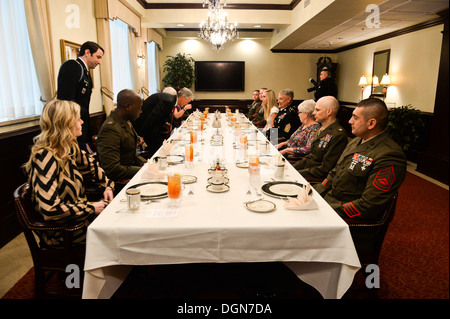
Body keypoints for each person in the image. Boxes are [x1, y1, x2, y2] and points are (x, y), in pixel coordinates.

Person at [25, 99, 114, 247]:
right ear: (64, 123)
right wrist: (91, 208)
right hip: (65, 232)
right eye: (78, 118)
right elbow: (50, 209)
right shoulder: (45, 157)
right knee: (118, 236)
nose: (82, 122)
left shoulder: (69, 146)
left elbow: (92, 167)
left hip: (80, 219)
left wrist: (107, 186)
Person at [314, 98, 407, 222]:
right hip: (329, 201)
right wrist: (312, 192)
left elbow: (368, 206)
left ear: (371, 123)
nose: (349, 121)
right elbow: (334, 173)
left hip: (345, 219)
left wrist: (324, 209)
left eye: (355, 117)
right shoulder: (356, 140)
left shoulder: (390, 155)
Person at [57, 41, 104, 152]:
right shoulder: (72, 66)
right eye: (98, 57)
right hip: (71, 128)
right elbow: (66, 101)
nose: (99, 62)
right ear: (87, 53)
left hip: (80, 127)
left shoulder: (85, 72)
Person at [96, 89, 146, 190]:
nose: (141, 111)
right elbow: (112, 169)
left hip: (129, 175)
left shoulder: (125, 121)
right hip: (118, 184)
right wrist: (143, 170)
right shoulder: (111, 129)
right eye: (139, 108)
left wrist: (146, 163)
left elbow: (131, 153)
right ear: (128, 107)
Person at [293, 96, 348, 182]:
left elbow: (325, 169)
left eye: (317, 110)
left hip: (314, 178)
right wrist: (292, 168)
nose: (314, 113)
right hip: (307, 170)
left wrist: (297, 173)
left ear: (329, 112)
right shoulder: (321, 129)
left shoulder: (338, 135)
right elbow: (310, 157)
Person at [134, 88, 178, 157]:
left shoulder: (169, 99)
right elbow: (153, 117)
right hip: (144, 125)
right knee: (160, 150)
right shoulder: (169, 101)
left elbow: (159, 116)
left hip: (148, 126)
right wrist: (141, 135)